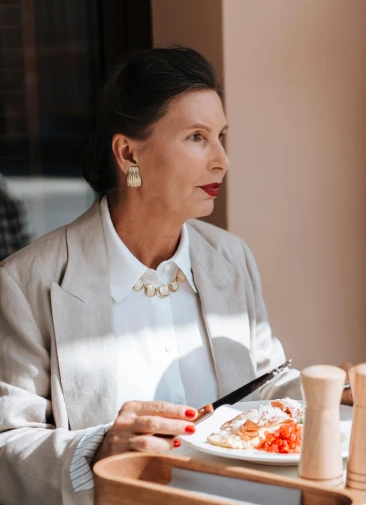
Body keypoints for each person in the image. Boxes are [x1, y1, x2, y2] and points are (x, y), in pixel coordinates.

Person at [0, 47, 308, 505]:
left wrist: (329, 395)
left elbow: (270, 389)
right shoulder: (26, 282)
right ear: (128, 154)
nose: (222, 160)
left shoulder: (231, 258)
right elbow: (8, 448)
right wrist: (97, 450)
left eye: (222, 136)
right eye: (197, 138)